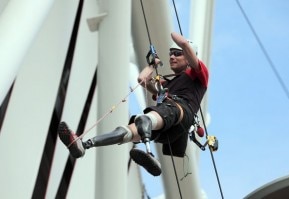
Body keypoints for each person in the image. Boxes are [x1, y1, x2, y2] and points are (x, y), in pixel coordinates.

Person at [58, 32, 209, 176]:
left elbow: (181, 41)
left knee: (144, 119)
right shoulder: (167, 84)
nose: (172, 57)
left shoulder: (197, 74)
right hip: (168, 124)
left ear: (189, 58)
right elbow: (142, 79)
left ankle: (150, 154)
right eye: (170, 53)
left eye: (177, 53)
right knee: (128, 131)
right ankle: (84, 146)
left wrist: (180, 43)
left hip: (180, 112)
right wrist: (152, 65)